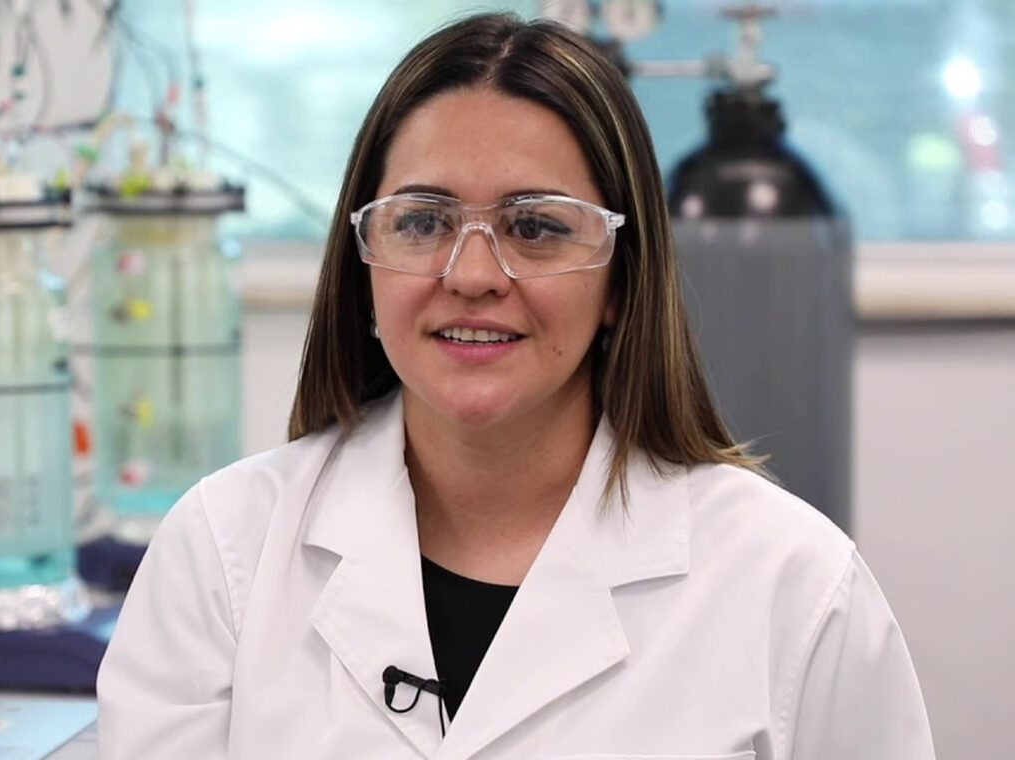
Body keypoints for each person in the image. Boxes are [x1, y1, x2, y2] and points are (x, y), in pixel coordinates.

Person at [96, 12, 935, 760]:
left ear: (619, 280)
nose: (471, 274)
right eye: (423, 222)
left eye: (534, 227)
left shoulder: (792, 584)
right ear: (362, 262)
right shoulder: (225, 554)